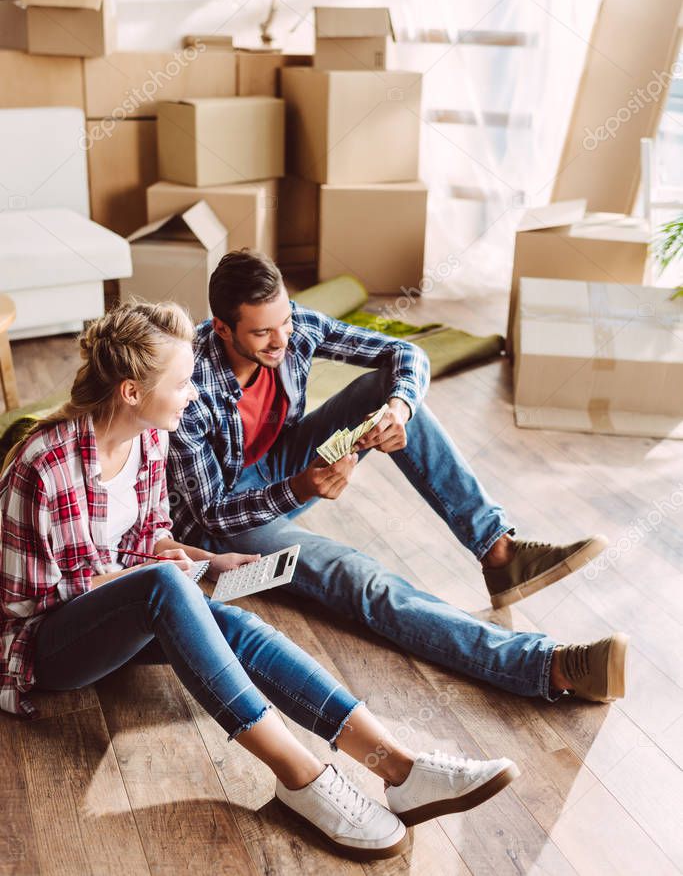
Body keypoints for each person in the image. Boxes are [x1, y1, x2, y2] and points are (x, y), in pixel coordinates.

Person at [0, 300, 523, 861]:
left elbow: (150, 534)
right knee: (166, 589)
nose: (194, 394)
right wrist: (161, 576)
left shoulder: (148, 439)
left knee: (234, 625)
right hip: (45, 646)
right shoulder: (41, 463)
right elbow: (31, 601)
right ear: (131, 391)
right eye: (181, 384)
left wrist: (203, 560)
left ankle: (397, 766)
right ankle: (301, 776)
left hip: (126, 609)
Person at [167, 250, 629, 705]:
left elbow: (403, 352)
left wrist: (399, 408)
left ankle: (498, 550)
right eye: (262, 332)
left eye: (285, 321)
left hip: (280, 464)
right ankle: (549, 666)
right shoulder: (190, 385)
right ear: (223, 329)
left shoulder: (293, 327)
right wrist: (301, 488)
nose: (282, 339)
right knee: (355, 575)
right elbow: (210, 513)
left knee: (385, 390)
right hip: (224, 519)